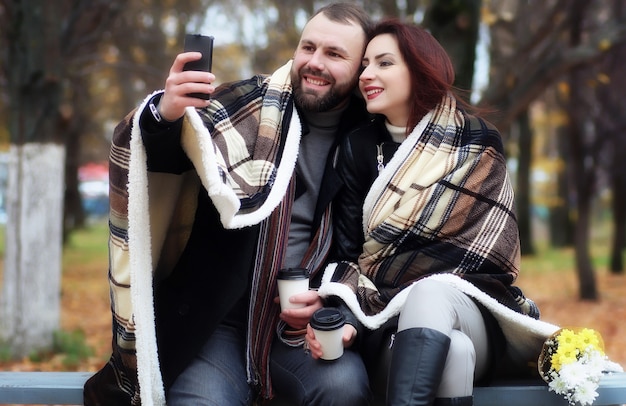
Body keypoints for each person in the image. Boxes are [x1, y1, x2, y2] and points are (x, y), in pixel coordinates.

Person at [83, 3, 374, 405]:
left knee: (344, 387)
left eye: (335, 54)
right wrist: (165, 114)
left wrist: (335, 300)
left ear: (362, 68)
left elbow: (378, 250)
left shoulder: (372, 141)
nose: (314, 63)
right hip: (218, 320)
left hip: (306, 326)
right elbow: (172, 159)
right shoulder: (249, 104)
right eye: (308, 47)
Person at [308, 19, 562, 405]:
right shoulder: (357, 148)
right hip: (384, 316)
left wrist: (430, 283)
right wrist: (348, 321)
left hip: (473, 308)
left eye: (384, 63)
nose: (367, 74)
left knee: (433, 293)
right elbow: (347, 256)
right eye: (364, 65)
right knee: (454, 352)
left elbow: (492, 253)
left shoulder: (477, 140)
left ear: (420, 69)